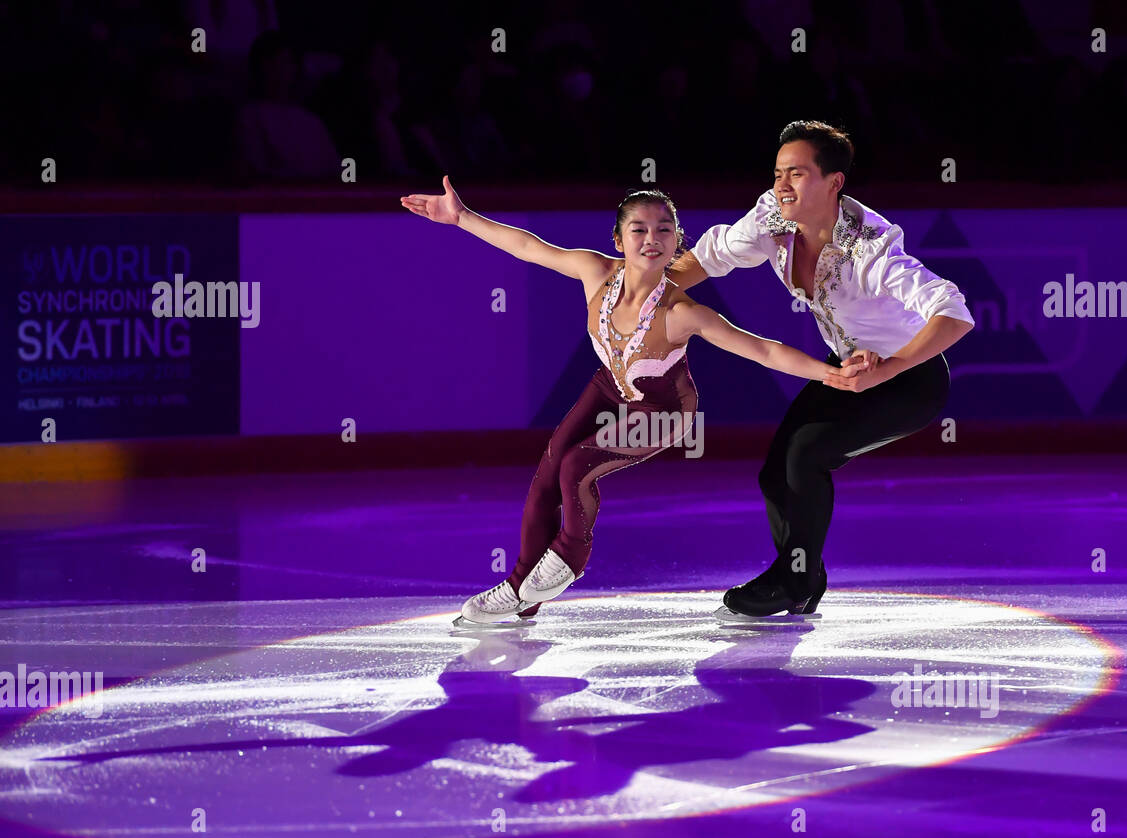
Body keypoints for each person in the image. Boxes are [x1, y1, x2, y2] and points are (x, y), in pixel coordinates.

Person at [400, 178, 857, 625]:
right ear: (618, 239)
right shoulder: (593, 271)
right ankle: (522, 593)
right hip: (609, 388)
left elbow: (763, 349)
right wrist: (461, 218)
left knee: (577, 465)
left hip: (663, 411)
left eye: (664, 229)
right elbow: (526, 246)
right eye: (639, 229)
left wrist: (830, 372)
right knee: (548, 471)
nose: (651, 239)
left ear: (677, 240)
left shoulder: (682, 313)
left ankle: (570, 556)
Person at [668, 120, 975, 617]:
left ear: (835, 182)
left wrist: (888, 368)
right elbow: (709, 259)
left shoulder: (869, 246)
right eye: (777, 172)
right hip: (849, 367)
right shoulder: (772, 216)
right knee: (775, 472)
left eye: (797, 173)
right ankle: (802, 575)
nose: (781, 184)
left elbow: (954, 312)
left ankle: (793, 582)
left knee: (806, 455)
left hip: (909, 380)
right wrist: (641, 285)